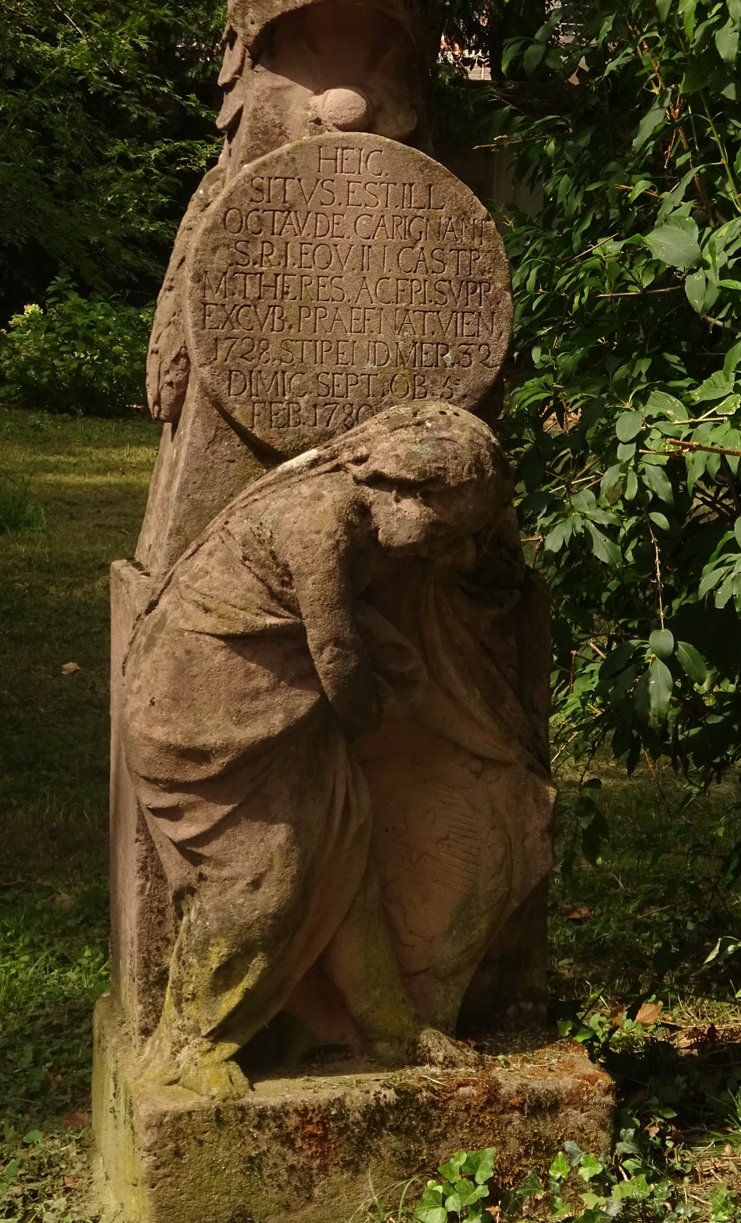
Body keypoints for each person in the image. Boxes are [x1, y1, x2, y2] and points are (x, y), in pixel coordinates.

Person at [120, 400, 552, 1098]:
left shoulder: (355, 508)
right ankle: (189, 1041)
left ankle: (388, 1026)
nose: (443, 549)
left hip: (276, 705)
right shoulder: (317, 519)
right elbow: (337, 651)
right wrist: (374, 718)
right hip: (208, 717)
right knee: (263, 878)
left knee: (345, 860)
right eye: (443, 530)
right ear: (401, 487)